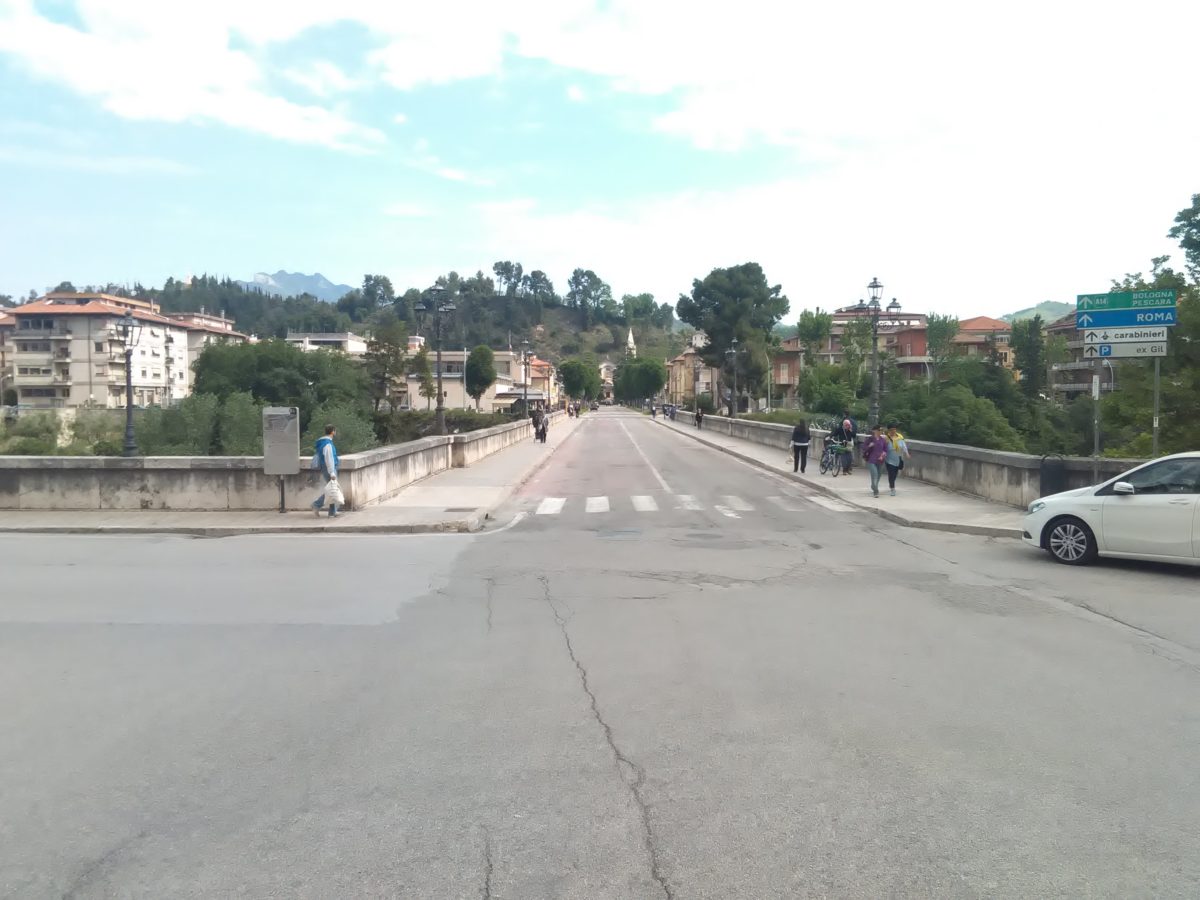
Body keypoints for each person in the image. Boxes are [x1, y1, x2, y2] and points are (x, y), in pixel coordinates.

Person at [311, 425, 340, 518]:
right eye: (335, 431)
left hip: (325, 468)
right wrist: (332, 472)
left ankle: (332, 512)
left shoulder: (322, 442)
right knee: (333, 490)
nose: (335, 432)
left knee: (333, 489)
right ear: (332, 432)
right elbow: (329, 459)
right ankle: (316, 504)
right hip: (329, 468)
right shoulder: (327, 444)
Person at [862, 425, 890, 498]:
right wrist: (869, 446)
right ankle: (876, 491)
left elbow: (885, 449)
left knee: (879, 475)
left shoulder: (882, 440)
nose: (880, 432)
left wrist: (883, 455)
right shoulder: (870, 439)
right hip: (872, 460)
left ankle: (873, 486)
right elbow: (864, 447)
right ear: (874, 431)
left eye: (881, 430)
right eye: (879, 430)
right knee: (874, 475)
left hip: (880, 460)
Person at [884, 423, 912, 496]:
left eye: (894, 429)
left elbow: (904, 446)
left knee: (895, 474)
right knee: (891, 474)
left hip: (898, 457)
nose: (893, 431)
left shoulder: (900, 437)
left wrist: (907, 453)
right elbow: (883, 448)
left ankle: (891, 484)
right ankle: (893, 489)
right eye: (891, 430)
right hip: (889, 458)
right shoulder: (886, 438)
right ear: (888, 430)